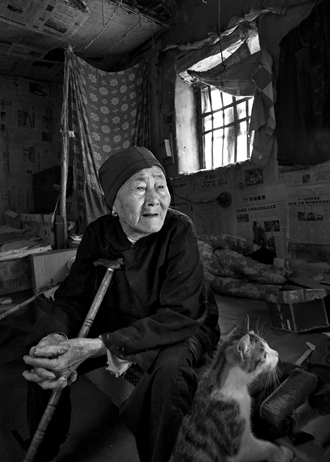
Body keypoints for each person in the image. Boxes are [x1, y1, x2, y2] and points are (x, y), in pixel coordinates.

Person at [23, 146, 220, 462]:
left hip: (179, 323)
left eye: (160, 186)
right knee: (46, 352)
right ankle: (42, 450)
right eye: (140, 188)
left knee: (170, 374)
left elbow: (182, 314)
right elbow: (71, 300)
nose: (154, 199)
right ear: (114, 204)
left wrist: (101, 345)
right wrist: (56, 336)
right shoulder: (98, 234)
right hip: (119, 321)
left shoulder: (178, 230)